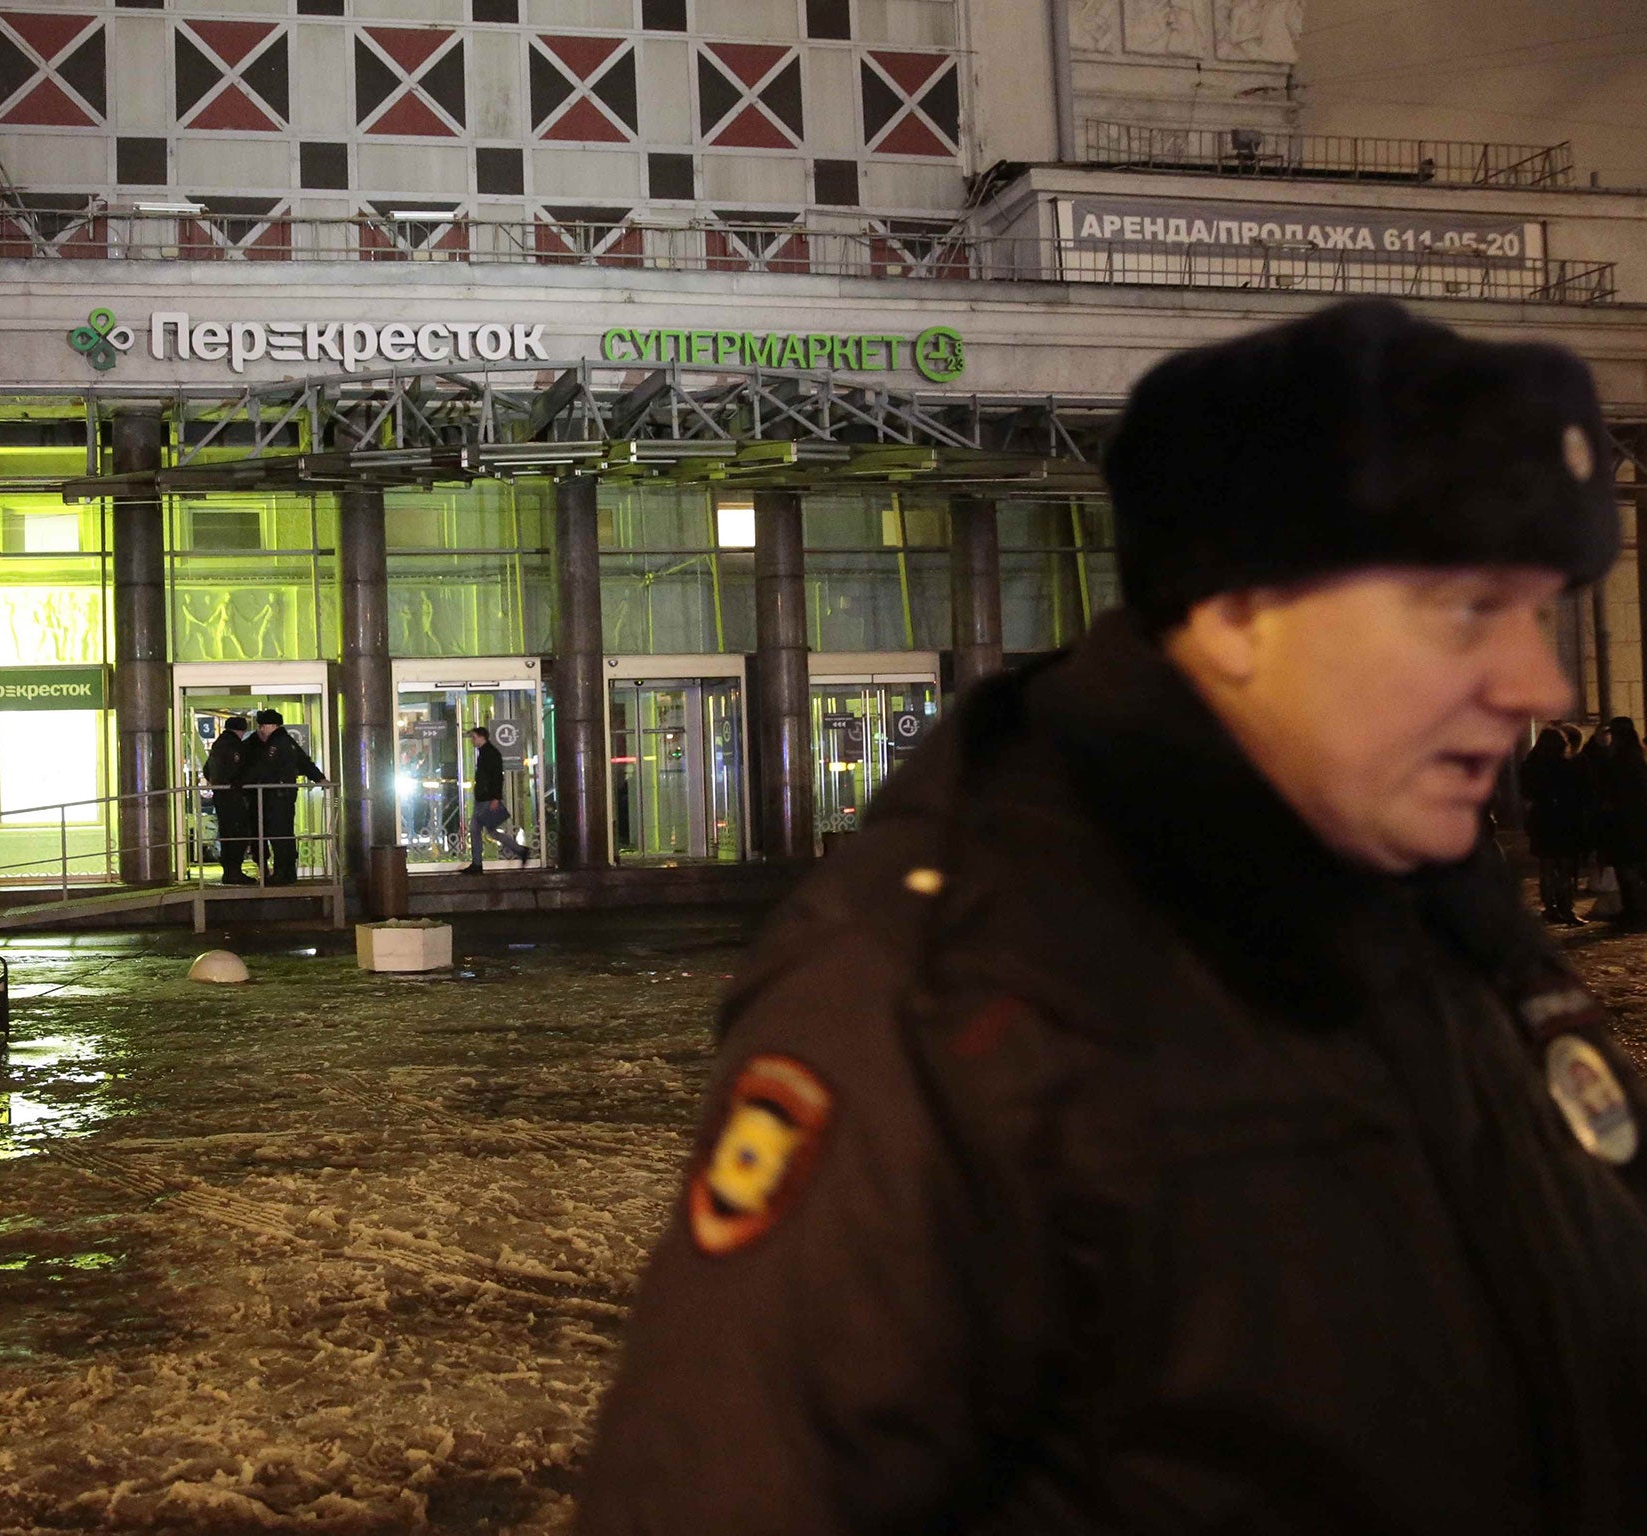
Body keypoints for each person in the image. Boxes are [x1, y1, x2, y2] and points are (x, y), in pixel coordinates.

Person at [580, 300, 1647, 1533]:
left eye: (1539, 609)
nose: (1536, 683)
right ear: (1240, 610)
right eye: (1465, 608)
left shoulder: (1453, 921)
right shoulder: (942, 994)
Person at [239, 708, 324, 883]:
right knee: (284, 834)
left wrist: (241, 782)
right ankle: (287, 872)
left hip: (275, 796)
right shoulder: (287, 741)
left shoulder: (276, 743)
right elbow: (304, 762)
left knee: (278, 835)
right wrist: (320, 779)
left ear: (272, 725)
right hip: (283, 795)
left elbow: (264, 769)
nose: (261, 729)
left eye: (263, 725)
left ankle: (281, 873)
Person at [1521, 725, 1584, 923]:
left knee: (1546, 866)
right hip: (1564, 820)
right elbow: (1579, 794)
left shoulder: (1530, 765)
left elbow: (1526, 793)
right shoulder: (1566, 766)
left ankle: (1550, 907)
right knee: (1564, 867)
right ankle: (1566, 908)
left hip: (1542, 820)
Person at [463, 725, 529, 873]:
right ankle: (519, 851)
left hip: (486, 799)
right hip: (483, 798)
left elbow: (497, 777)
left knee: (480, 829)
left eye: (474, 737)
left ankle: (478, 864)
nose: (472, 741)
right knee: (485, 830)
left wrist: (495, 798)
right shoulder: (486, 753)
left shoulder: (490, 754)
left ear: (482, 737)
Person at [1601, 716, 1647, 929]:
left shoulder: (1620, 761)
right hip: (1635, 821)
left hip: (1624, 823)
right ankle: (1634, 911)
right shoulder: (1637, 758)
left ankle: (1634, 913)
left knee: (1628, 870)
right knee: (1632, 869)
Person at [201, 715, 255, 885]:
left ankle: (230, 871)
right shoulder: (235, 746)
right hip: (234, 797)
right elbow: (239, 771)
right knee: (237, 834)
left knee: (226, 833)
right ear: (241, 730)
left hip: (221, 796)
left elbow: (206, 770)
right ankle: (234, 872)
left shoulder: (218, 745)